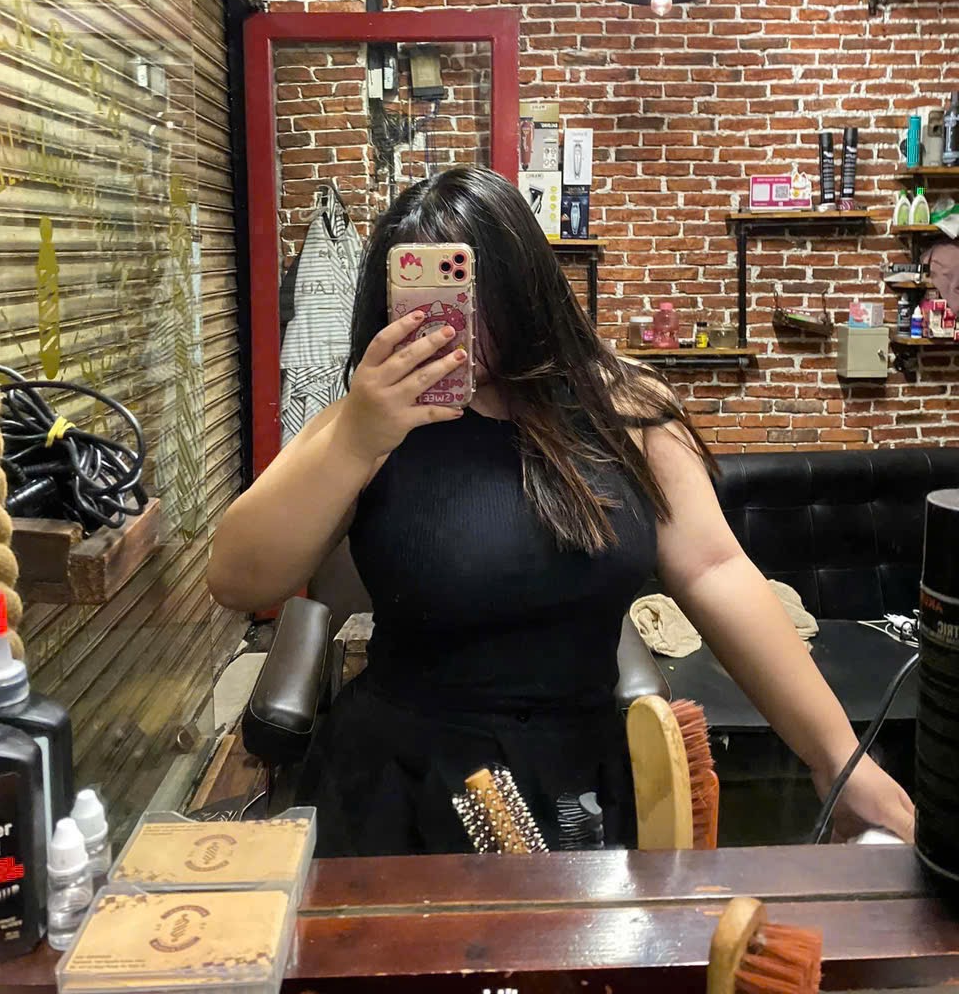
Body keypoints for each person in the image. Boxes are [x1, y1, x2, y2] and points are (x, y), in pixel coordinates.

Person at [209, 166, 914, 854]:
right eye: (428, 294)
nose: (457, 324)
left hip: (583, 780)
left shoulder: (626, 409)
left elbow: (715, 570)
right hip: (401, 785)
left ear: (527, 289)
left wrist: (839, 758)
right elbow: (239, 580)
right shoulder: (366, 422)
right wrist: (358, 436)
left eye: (478, 291)